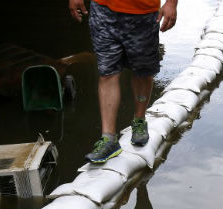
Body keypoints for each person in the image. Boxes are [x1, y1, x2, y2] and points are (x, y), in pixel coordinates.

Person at [68, 0, 178, 163]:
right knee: (107, 73)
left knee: (143, 72)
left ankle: (139, 120)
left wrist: (171, 3)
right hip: (103, 10)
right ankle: (108, 138)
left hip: (143, 13)